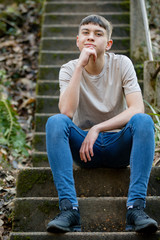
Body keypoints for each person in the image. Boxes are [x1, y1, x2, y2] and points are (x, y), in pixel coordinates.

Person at [46, 15, 158, 234]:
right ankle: (69, 210)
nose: (90, 38)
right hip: (85, 151)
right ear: (77, 41)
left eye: (98, 34)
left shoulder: (122, 64)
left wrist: (97, 128)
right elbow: (67, 112)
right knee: (55, 122)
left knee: (143, 121)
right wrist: (80, 66)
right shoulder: (68, 69)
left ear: (107, 44)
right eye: (85, 33)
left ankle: (136, 208)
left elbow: (137, 108)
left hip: (119, 146)